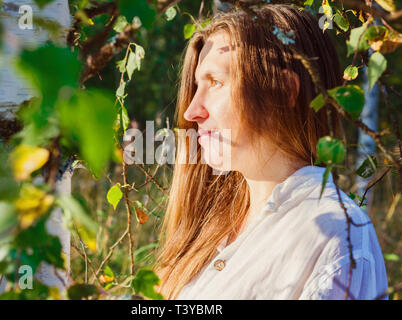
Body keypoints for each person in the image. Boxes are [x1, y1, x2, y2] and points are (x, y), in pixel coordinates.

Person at [153, 4, 388, 300]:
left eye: (215, 83)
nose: (192, 111)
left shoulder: (336, 237)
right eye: (198, 85)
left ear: (283, 91)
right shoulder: (210, 231)